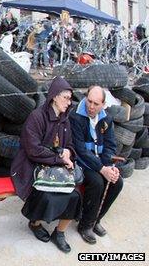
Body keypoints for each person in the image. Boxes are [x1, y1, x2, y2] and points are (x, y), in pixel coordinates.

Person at [11, 76, 81, 253]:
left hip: (56, 166)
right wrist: (59, 158)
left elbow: (71, 144)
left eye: (70, 98)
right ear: (54, 96)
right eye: (65, 97)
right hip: (32, 165)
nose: (68, 102)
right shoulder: (37, 117)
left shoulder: (65, 120)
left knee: (74, 195)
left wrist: (68, 152)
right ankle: (35, 223)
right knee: (46, 195)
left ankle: (60, 232)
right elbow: (33, 150)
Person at [70, 86, 123, 244]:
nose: (91, 107)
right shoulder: (76, 117)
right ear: (86, 98)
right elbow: (80, 150)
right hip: (82, 162)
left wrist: (110, 166)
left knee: (117, 182)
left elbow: (110, 145)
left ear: (103, 104)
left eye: (96, 103)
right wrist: (102, 169)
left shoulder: (106, 118)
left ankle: (95, 219)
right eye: (89, 101)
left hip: (100, 161)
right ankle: (85, 225)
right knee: (97, 182)